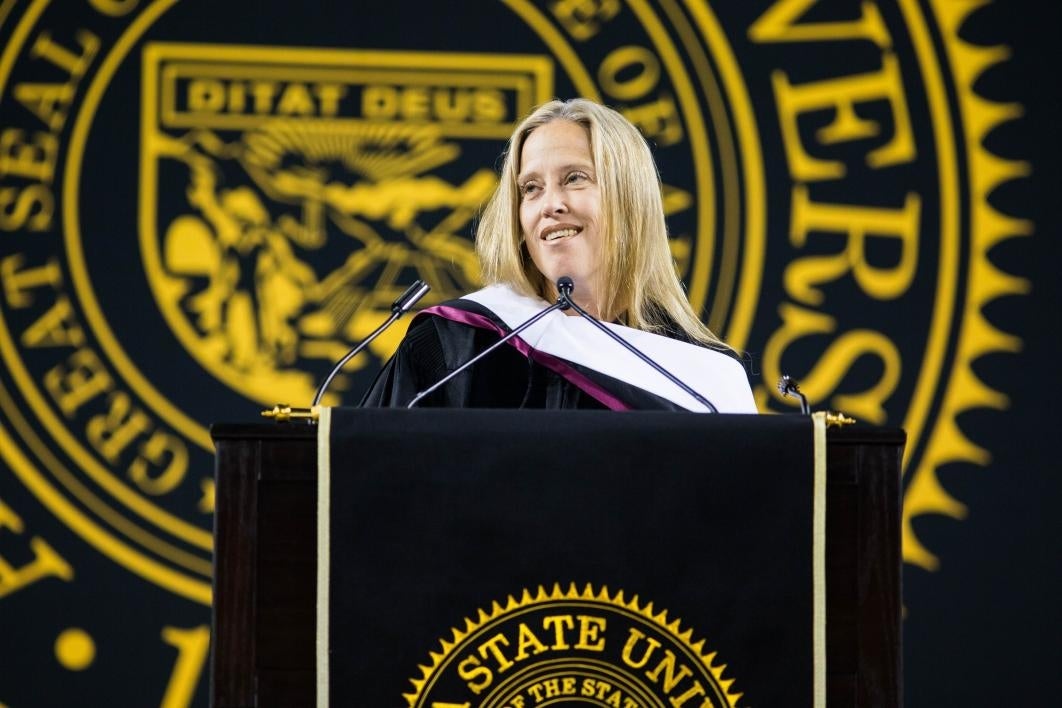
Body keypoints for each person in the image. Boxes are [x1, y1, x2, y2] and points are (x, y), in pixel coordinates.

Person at [360, 98, 756, 412]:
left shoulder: (700, 379)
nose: (551, 204)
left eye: (574, 178)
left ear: (630, 198)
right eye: (531, 188)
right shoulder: (455, 347)